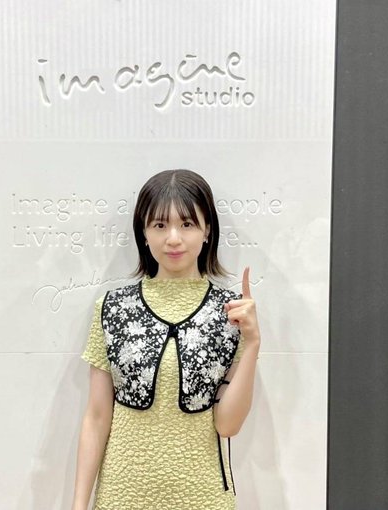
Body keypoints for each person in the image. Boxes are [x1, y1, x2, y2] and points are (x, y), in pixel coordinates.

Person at [71, 169, 261, 510]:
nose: (173, 238)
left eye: (187, 224)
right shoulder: (113, 308)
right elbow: (97, 417)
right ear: (143, 233)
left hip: (203, 496)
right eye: (160, 225)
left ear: (207, 231)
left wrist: (253, 344)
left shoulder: (231, 312)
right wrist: (78, 505)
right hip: (122, 495)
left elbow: (228, 425)